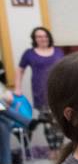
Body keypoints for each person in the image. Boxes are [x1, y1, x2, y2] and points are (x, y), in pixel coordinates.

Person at [15, 26, 65, 155]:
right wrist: (17, 88)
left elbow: (65, 69)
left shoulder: (58, 51)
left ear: (49, 37)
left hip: (59, 91)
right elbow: (20, 70)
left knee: (59, 121)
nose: (42, 38)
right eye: (39, 36)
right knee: (47, 121)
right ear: (35, 39)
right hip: (41, 92)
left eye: (45, 36)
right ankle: (53, 150)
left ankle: (59, 148)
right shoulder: (29, 53)